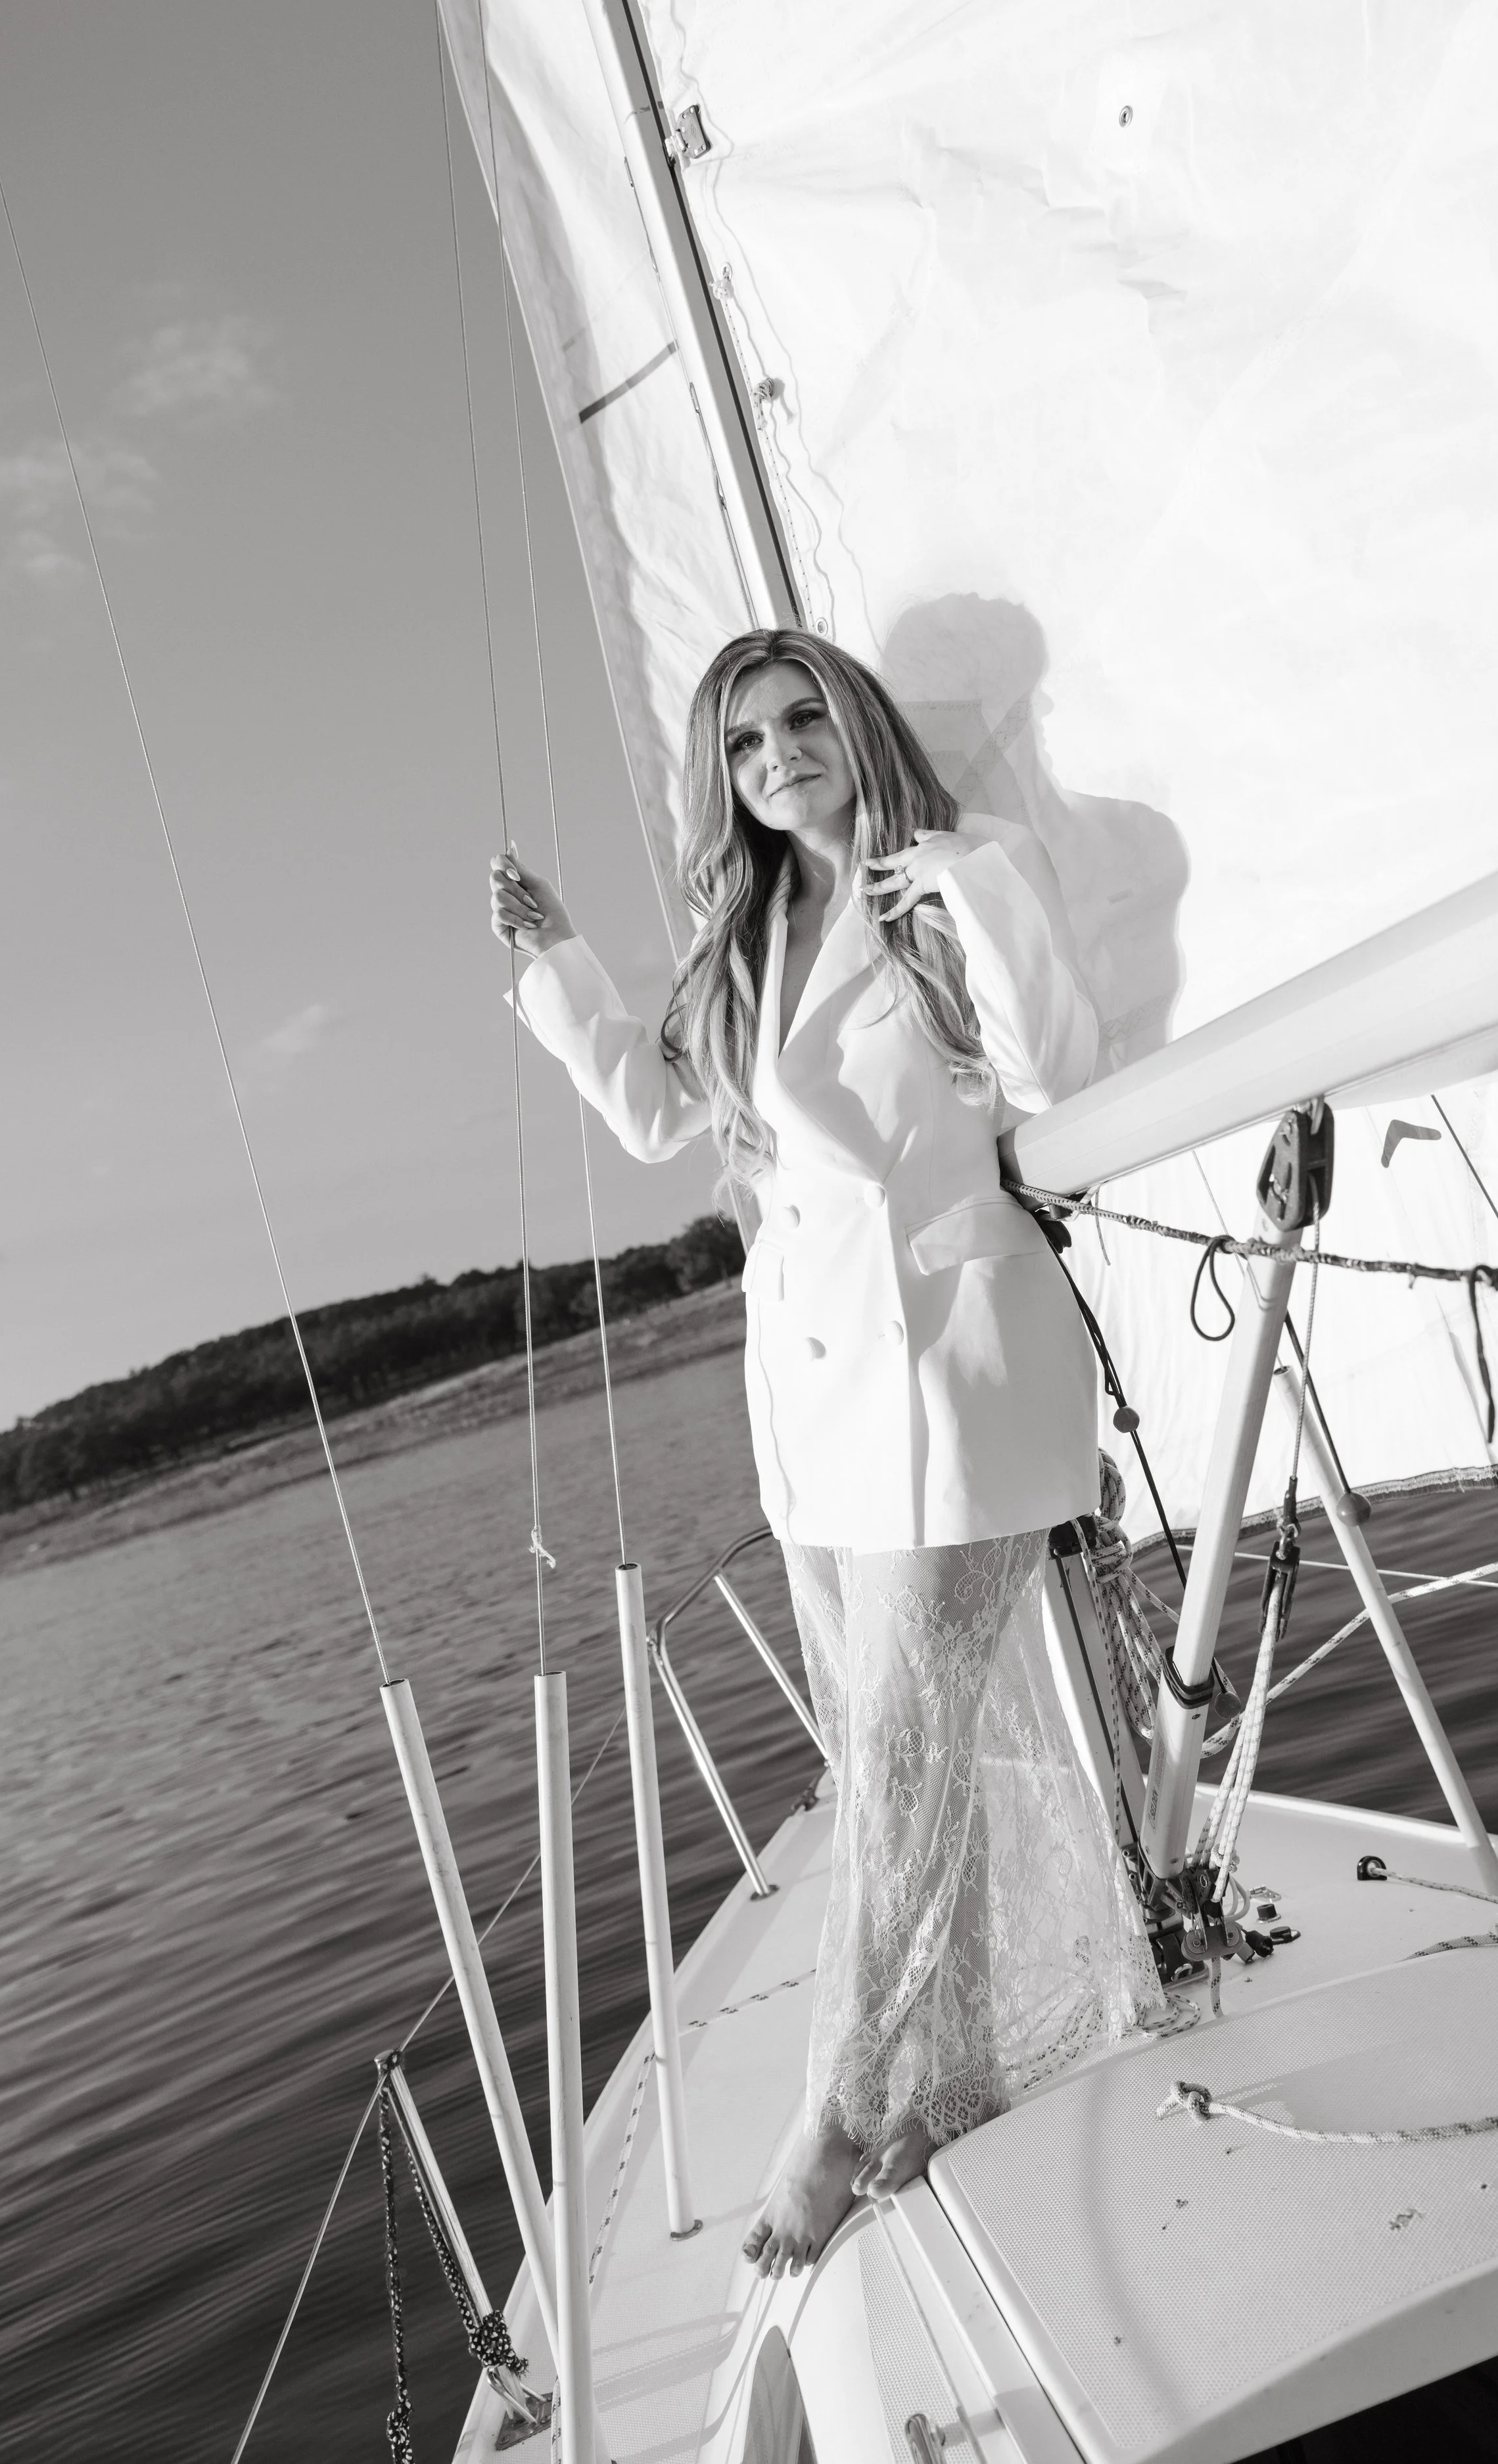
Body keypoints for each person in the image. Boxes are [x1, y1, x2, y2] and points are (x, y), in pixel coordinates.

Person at [489, 628, 1157, 2279]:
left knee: (903, 1753)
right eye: (742, 741)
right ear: (720, 779)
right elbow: (661, 1119)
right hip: (815, 1404)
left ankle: (836, 2110)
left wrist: (951, 891)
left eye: (800, 720)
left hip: (955, 1373)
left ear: (851, 725)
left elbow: (1054, 1069)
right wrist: (563, 969)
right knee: (914, 1763)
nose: (775, 753)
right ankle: (955, 2068)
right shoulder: (747, 938)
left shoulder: (960, 871)